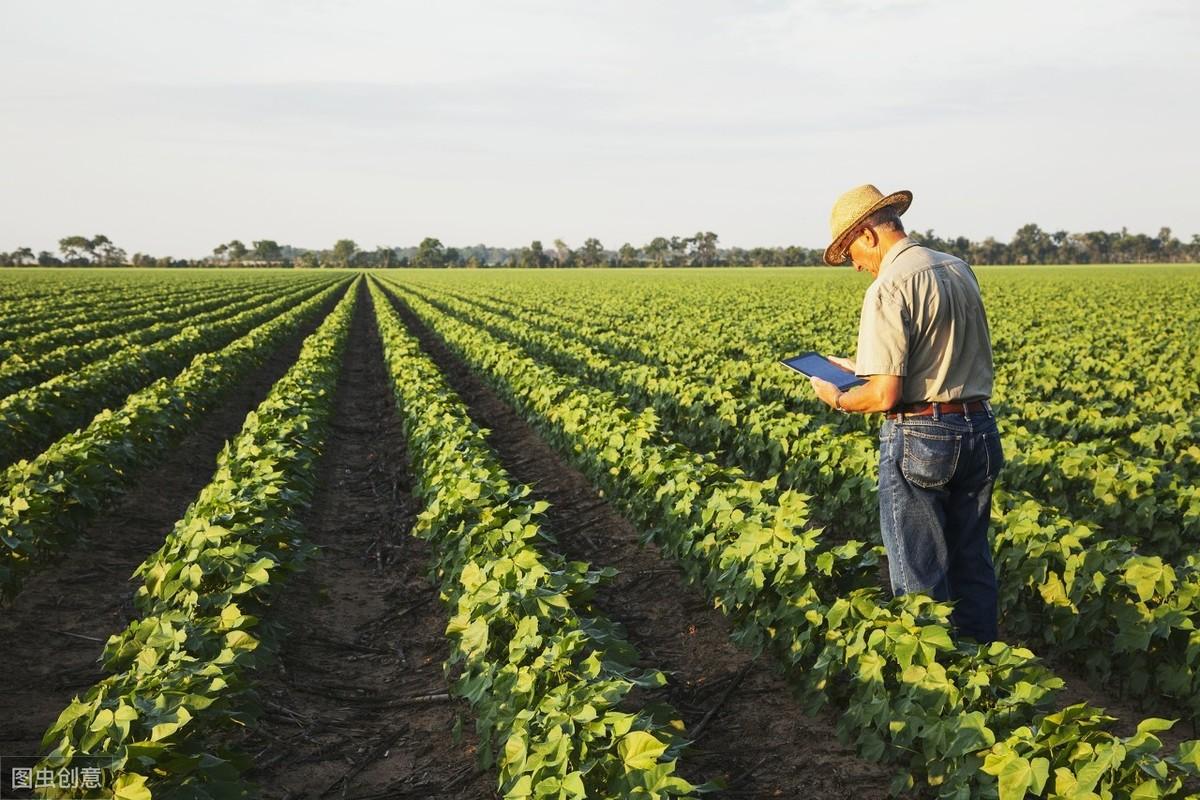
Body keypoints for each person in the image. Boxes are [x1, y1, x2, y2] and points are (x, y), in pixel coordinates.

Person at [807, 184, 1003, 643]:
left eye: (850, 250)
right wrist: (861, 369)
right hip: (979, 428)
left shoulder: (889, 285)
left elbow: (884, 396)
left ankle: (937, 685)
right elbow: (936, 358)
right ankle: (983, 670)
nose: (854, 264)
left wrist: (834, 395)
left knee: (920, 574)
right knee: (971, 561)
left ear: (869, 234)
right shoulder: (957, 268)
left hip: (923, 437)